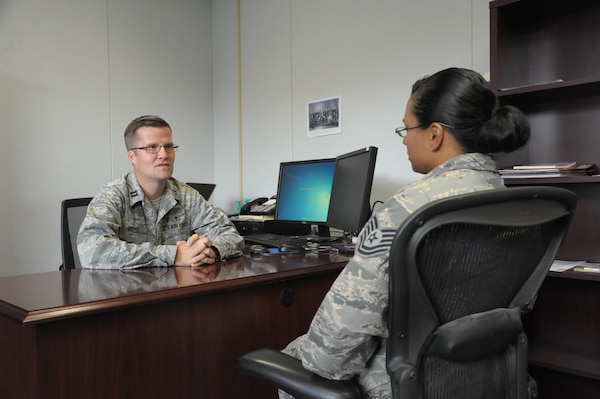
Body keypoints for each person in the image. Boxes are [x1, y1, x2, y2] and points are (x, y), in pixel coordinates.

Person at [279, 67, 531, 399]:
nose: (404, 139)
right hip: (487, 376)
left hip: (405, 384)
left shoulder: (407, 208)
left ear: (435, 134)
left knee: (293, 362)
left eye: (407, 128)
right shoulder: (517, 203)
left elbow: (333, 350)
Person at [77, 115, 244, 269]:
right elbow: (92, 250)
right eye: (152, 147)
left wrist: (210, 251)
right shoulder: (113, 196)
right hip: (125, 293)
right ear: (132, 157)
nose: (164, 154)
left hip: (175, 290)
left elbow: (230, 235)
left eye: (168, 146)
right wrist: (175, 255)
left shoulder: (186, 195)